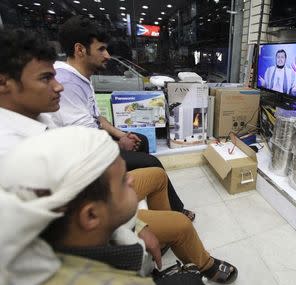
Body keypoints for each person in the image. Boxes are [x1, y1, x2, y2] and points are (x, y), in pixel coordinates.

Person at [0, 28, 238, 284]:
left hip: (91, 193)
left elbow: (92, 124)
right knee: (180, 224)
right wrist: (136, 227)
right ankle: (204, 264)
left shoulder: (40, 114)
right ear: (4, 82)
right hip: (81, 218)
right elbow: (65, 228)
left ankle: (166, 236)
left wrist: (119, 138)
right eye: (46, 78)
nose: (58, 86)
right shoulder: (12, 151)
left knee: (156, 174)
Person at [50, 15, 194, 221]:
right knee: (151, 161)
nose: (107, 55)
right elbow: (85, 140)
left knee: (140, 140)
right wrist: (118, 144)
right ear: (80, 49)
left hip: (92, 142)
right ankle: (174, 211)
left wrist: (122, 134)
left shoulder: (82, 77)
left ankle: (153, 199)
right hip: (84, 159)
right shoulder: (67, 84)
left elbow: (97, 118)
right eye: (101, 49)